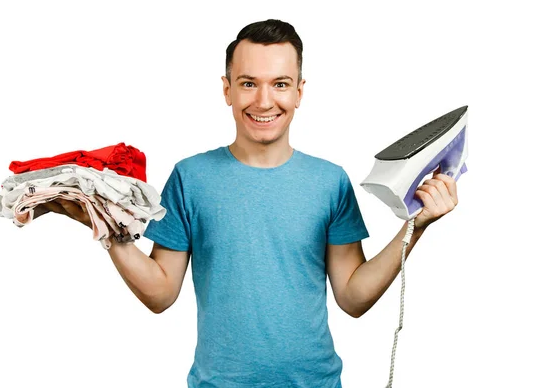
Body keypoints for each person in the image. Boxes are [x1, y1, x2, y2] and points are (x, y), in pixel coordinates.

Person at [35, 19, 458, 388]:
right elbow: (161, 293)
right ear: (227, 89)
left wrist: (414, 227)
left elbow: (352, 297)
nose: (263, 101)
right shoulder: (191, 177)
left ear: (299, 91)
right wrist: (106, 226)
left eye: (280, 84)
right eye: (248, 83)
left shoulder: (330, 182)